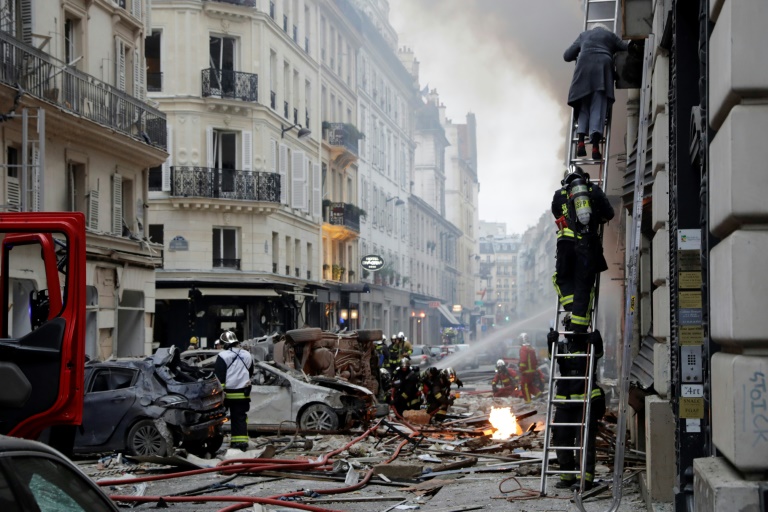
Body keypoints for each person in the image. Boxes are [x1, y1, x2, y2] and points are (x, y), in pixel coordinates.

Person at [551, 166, 615, 333]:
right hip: (586, 246)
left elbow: (556, 213)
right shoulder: (593, 190)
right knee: (583, 284)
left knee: (562, 277)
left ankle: (569, 304)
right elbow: (609, 213)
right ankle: (579, 326)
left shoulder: (559, 195)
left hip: (565, 244)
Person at [547, 319, 606, 491]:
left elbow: (599, 353)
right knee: (561, 436)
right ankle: (567, 476)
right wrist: (551, 342)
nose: (571, 330)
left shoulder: (590, 344)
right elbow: (553, 360)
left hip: (585, 399)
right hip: (565, 399)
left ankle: (585, 479)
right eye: (569, 327)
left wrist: (598, 340)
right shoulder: (563, 346)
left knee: (584, 439)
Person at [564, 23, 631, 160]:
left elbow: (567, 56)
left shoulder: (584, 35)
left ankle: (581, 142)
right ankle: (595, 147)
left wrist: (580, 52)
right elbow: (627, 47)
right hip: (602, 72)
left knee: (583, 108)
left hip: (583, 72)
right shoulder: (610, 36)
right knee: (598, 108)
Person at [214, 330, 254, 451]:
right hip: (243, 394)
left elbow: (219, 377)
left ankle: (214, 442)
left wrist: (220, 393)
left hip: (227, 395)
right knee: (240, 418)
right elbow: (250, 373)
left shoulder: (222, 356)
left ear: (225, 344)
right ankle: (240, 443)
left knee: (217, 419)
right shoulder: (247, 355)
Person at [518, 335, 541, 402]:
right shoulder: (531, 348)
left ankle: (528, 401)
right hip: (532, 371)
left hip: (526, 371)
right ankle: (538, 393)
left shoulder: (523, 348)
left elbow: (523, 360)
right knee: (529, 384)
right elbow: (535, 360)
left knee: (524, 386)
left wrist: (521, 369)